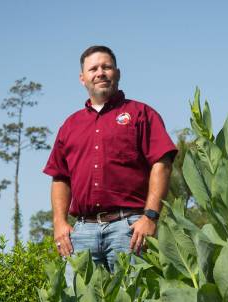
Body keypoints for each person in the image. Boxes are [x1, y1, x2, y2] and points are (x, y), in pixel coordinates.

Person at [43, 45, 177, 283]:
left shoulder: (141, 114)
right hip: (82, 232)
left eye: (106, 66)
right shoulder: (70, 125)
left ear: (118, 73)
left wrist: (150, 217)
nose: (100, 72)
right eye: (93, 68)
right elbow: (60, 177)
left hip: (130, 229)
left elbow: (162, 163)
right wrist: (60, 223)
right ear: (82, 78)